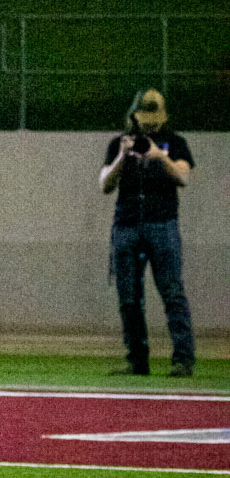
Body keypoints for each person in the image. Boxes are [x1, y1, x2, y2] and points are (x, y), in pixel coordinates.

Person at [99, 88, 196, 376]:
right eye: (145, 115)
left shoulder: (176, 143)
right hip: (126, 225)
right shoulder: (119, 143)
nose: (150, 123)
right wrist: (122, 156)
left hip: (162, 224)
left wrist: (159, 157)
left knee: (172, 292)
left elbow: (183, 177)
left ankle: (183, 359)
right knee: (128, 297)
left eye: (155, 115)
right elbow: (104, 184)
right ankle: (137, 360)